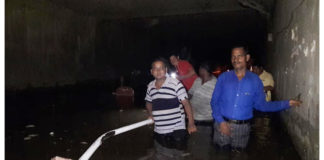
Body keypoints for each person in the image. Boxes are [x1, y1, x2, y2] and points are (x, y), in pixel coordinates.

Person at [210, 46, 301, 150]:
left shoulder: (255, 80)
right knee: (220, 155)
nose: (236, 59)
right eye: (233, 57)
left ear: (247, 58)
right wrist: (221, 122)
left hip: (242, 129)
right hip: (221, 124)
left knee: (239, 156)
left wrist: (287, 103)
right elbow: (214, 101)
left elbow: (262, 105)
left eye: (239, 56)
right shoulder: (223, 78)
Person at [145, 58, 197, 159]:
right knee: (161, 155)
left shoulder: (176, 84)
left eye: (161, 68)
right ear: (151, 72)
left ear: (166, 70)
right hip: (159, 129)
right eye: (155, 69)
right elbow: (148, 102)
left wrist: (191, 123)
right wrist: (150, 114)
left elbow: (186, 104)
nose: (158, 71)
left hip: (176, 130)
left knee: (177, 155)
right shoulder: (150, 86)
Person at [187, 62, 217, 159]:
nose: (198, 71)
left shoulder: (216, 84)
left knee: (204, 148)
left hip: (206, 121)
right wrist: (183, 100)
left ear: (204, 70)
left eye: (200, 69)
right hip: (193, 120)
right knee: (192, 145)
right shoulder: (197, 80)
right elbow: (190, 93)